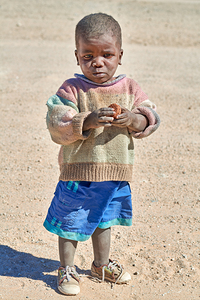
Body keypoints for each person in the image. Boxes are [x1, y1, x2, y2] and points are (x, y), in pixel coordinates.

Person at [43, 12, 160, 296]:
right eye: (88, 56)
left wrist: (135, 119)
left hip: (114, 173)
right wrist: (88, 120)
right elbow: (56, 121)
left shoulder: (129, 88)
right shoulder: (72, 89)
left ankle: (100, 264)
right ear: (77, 56)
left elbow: (150, 113)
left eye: (107, 54)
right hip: (78, 172)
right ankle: (67, 268)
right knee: (71, 220)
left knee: (104, 219)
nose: (98, 62)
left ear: (120, 55)